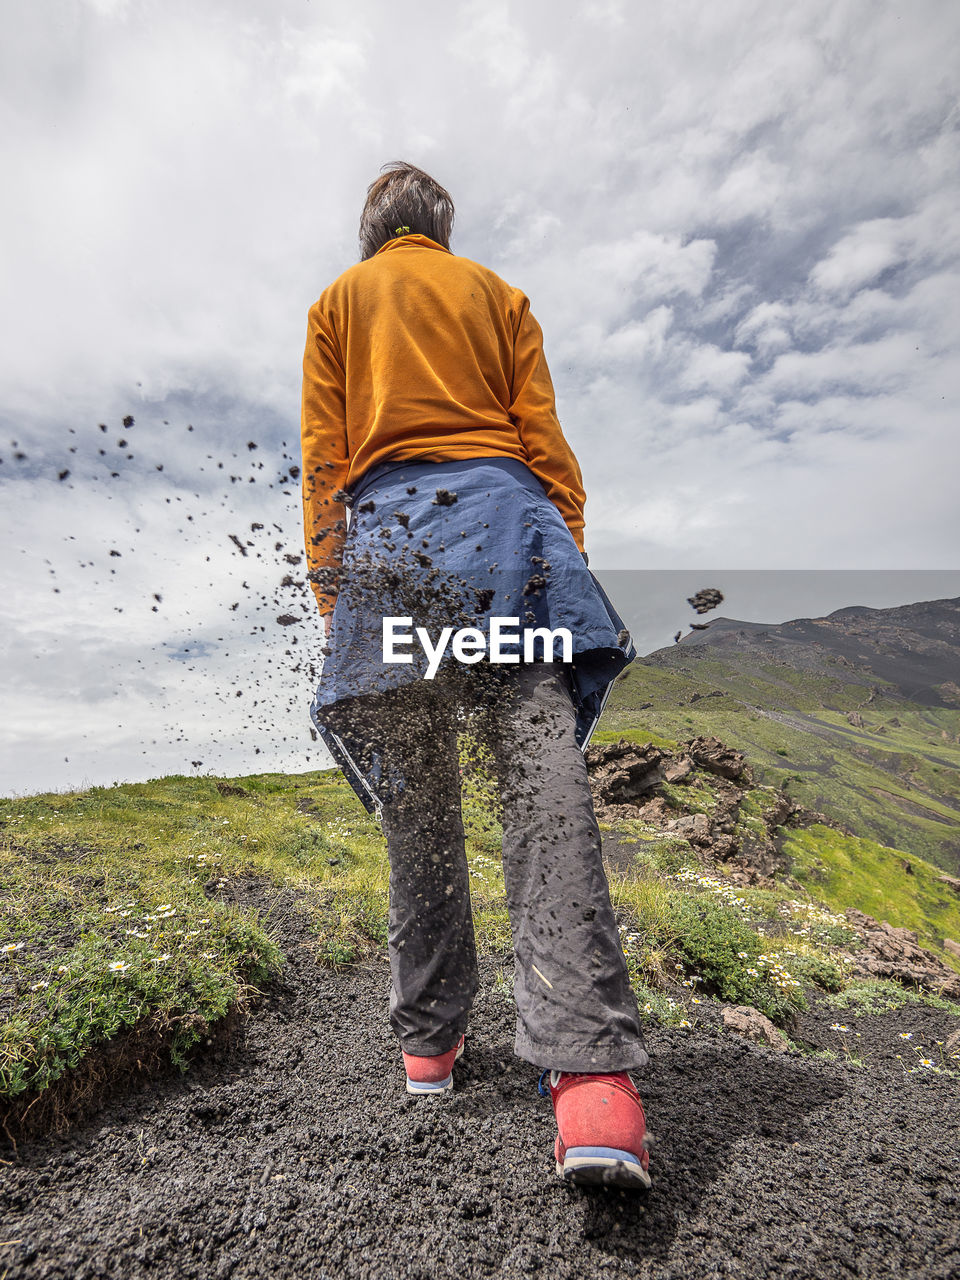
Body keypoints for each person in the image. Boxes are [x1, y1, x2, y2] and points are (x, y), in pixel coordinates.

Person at [300, 161, 652, 1189]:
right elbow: (545, 446)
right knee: (543, 783)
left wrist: (337, 600)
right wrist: (558, 553)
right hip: (509, 530)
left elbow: (326, 464)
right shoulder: (498, 294)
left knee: (419, 799)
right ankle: (595, 1087)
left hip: (390, 549)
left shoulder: (336, 303)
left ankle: (430, 1046)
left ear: (374, 230)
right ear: (441, 227)